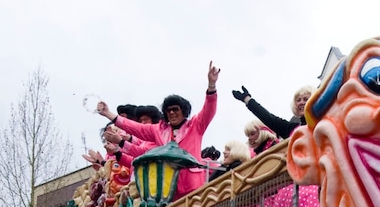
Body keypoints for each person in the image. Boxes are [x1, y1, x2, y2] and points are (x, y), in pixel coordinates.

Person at [97, 61, 221, 198]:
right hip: (168, 191)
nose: (172, 113)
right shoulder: (159, 130)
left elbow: (209, 110)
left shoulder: (195, 126)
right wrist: (108, 113)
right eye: (168, 110)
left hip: (193, 186)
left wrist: (211, 86)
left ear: (183, 111)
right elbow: (134, 127)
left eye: (175, 109)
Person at [231, 85, 313, 139]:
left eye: (306, 99)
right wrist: (247, 99)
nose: (301, 102)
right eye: (298, 100)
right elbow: (269, 118)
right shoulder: (292, 129)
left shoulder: (322, 121)